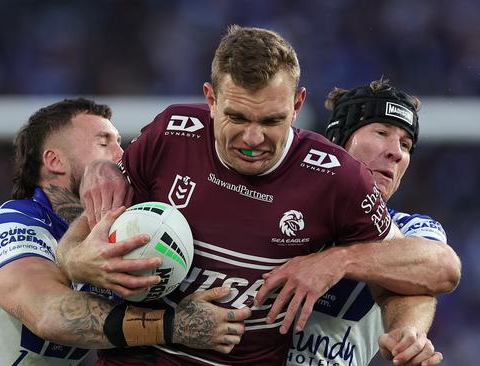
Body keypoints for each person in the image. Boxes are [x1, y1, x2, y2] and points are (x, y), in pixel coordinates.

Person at [57, 26, 404, 366]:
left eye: (271, 121)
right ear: (211, 99)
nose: (253, 139)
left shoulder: (336, 176)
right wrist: (77, 261)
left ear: (297, 104)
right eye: (236, 117)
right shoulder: (171, 135)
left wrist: (343, 266)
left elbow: (422, 268)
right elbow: (85, 233)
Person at [0, 98, 248, 366]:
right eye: (104, 143)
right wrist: (173, 326)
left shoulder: (120, 235)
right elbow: (48, 314)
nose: (121, 156)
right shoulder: (18, 223)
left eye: (121, 143)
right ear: (55, 161)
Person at [257, 80, 461, 366]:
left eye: (406, 144)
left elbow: (441, 268)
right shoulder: (275, 204)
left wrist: (407, 332)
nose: (397, 152)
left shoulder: (406, 230)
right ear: (339, 139)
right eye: (381, 133)